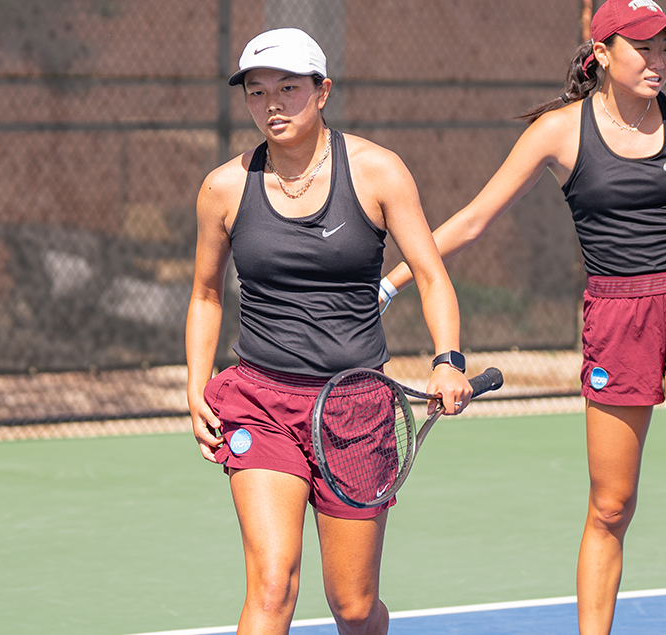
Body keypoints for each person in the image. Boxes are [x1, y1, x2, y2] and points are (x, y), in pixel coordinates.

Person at [379, 1, 666, 633]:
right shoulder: (558, 132)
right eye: (644, 49)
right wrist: (389, 284)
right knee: (610, 507)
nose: (659, 62)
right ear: (601, 52)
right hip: (617, 319)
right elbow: (471, 221)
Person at [186, 27, 472, 635]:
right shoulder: (224, 187)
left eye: (288, 89)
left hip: (356, 406)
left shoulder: (378, 172)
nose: (271, 105)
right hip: (259, 402)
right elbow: (205, 295)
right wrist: (195, 387)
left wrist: (449, 359)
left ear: (322, 92)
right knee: (271, 585)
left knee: (352, 604)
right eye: (257, 91)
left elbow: (430, 276)